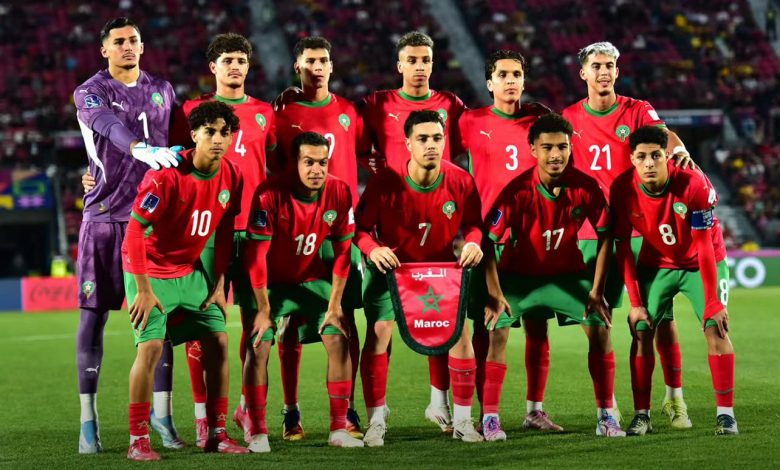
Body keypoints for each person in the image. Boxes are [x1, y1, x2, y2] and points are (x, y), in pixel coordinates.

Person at [562, 41, 694, 429]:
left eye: (610, 65)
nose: (604, 71)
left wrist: (680, 149)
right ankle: (608, 408)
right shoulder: (569, 117)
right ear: (583, 73)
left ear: (617, 71)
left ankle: (674, 399)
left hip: (639, 230)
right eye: (596, 66)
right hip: (592, 234)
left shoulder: (637, 110)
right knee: (596, 323)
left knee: (657, 319)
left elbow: (665, 136)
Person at [73, 17, 181, 454]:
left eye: (133, 40)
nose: (128, 46)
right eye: (118, 41)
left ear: (143, 45)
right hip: (103, 218)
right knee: (93, 317)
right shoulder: (90, 91)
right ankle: (89, 421)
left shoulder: (164, 90)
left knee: (161, 320)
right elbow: (106, 126)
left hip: (154, 222)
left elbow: (180, 140)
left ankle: (163, 415)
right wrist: (139, 148)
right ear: (105, 50)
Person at [482, 113, 625, 439]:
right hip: (520, 278)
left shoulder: (585, 187)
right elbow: (488, 243)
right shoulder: (517, 191)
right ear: (533, 149)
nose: (556, 154)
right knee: (497, 332)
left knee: (600, 329)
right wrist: (494, 293)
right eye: (547, 147)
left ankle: (606, 417)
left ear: (571, 147)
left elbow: (606, 235)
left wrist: (597, 290)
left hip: (567, 277)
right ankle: (490, 419)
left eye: (562, 146)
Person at [122, 100, 248, 460]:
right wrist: (143, 290)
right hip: (150, 271)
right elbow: (134, 232)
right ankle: (137, 440)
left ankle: (217, 434)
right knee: (150, 348)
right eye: (210, 132)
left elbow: (225, 228)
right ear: (194, 135)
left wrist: (220, 282)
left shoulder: (233, 175)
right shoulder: (165, 175)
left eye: (225, 133)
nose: (218, 139)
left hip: (190, 272)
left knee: (219, 341)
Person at [169, 32, 277, 448]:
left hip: (254, 232)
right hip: (205, 231)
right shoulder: (191, 111)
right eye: (227, 60)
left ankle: (248, 410)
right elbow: (173, 161)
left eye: (241, 60)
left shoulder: (266, 113)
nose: (235, 66)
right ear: (212, 67)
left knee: (256, 324)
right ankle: (203, 420)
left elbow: (277, 166)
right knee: (201, 326)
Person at [360, 30, 468, 433]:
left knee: (442, 320)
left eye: (426, 60)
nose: (419, 67)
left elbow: (463, 146)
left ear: (433, 64)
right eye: (412, 60)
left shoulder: (451, 104)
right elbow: (357, 143)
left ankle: (440, 404)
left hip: (436, 215)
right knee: (381, 327)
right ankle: (377, 412)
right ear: (399, 64)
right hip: (390, 222)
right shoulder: (378, 103)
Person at [356, 110, 484, 446]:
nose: (431, 145)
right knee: (379, 332)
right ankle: (377, 419)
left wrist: (473, 242)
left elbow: (475, 224)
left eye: (437, 138)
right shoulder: (385, 181)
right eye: (423, 138)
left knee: (460, 334)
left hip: (439, 272)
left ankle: (463, 421)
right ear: (408, 143)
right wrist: (373, 249)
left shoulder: (461, 180)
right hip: (392, 271)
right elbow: (359, 229)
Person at [272, 36, 370, 440]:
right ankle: (290, 410)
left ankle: (347, 408)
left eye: (324, 60)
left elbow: (371, 153)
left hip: (342, 228)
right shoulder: (283, 113)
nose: (318, 67)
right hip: (299, 228)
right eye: (310, 60)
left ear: (332, 65)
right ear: (297, 66)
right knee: (291, 318)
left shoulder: (348, 111)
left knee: (347, 319)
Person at [610, 126, 738, 436]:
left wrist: (712, 302)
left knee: (715, 326)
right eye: (642, 157)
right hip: (657, 264)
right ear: (632, 159)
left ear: (668, 156)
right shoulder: (622, 189)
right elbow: (623, 247)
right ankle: (642, 415)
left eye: (656, 156)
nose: (649, 163)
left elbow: (704, 245)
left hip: (701, 263)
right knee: (641, 329)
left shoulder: (693, 183)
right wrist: (636, 303)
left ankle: (726, 415)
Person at [457, 50, 560, 432]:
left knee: (537, 325)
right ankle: (487, 413)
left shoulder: (539, 121)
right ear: (489, 82)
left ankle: (535, 410)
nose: (510, 80)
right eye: (502, 74)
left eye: (516, 74)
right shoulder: (469, 121)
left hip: (532, 238)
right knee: (489, 326)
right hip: (488, 242)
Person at [242, 132, 364, 451]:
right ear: (295, 162)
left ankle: (338, 428)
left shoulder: (339, 191)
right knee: (259, 343)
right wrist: (264, 310)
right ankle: (257, 432)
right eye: (308, 162)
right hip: (270, 283)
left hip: (311, 278)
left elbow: (342, 254)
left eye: (322, 163)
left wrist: (335, 306)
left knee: (338, 336)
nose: (316, 170)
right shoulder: (269, 194)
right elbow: (256, 257)